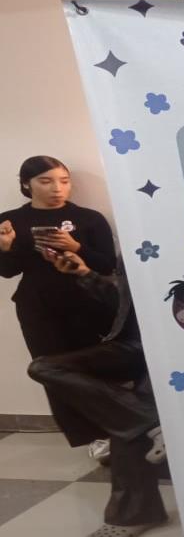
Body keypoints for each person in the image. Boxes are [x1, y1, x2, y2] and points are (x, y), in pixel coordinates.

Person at [27, 249, 167, 537]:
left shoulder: (181, 238)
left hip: (176, 349)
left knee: (126, 421)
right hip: (134, 345)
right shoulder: (135, 239)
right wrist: (85, 274)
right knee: (44, 367)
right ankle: (149, 421)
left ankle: (135, 513)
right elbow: (126, 303)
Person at [0, 156, 116, 445]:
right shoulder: (11, 221)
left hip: (89, 304)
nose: (57, 188)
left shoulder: (89, 218)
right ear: (26, 184)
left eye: (64, 181)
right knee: (54, 373)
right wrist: (5, 248)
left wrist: (76, 247)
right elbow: (8, 271)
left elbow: (108, 266)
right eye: (46, 181)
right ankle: (90, 439)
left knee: (96, 370)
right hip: (37, 308)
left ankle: (116, 431)